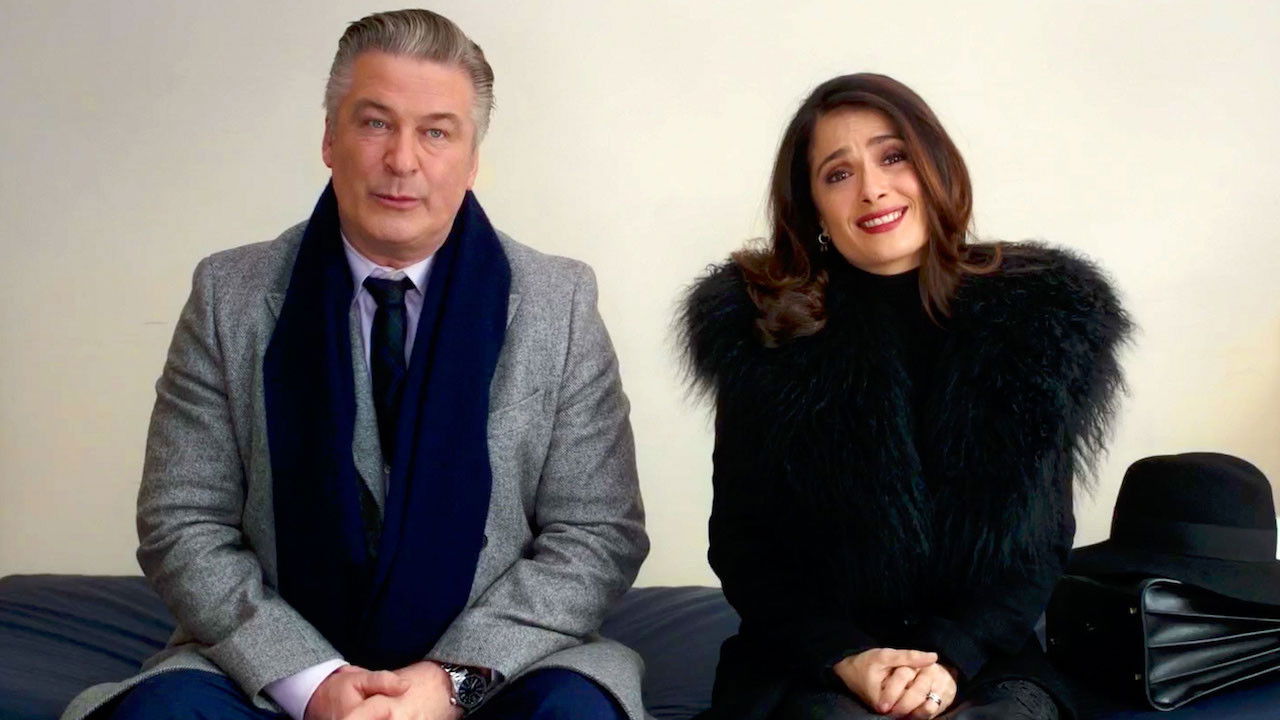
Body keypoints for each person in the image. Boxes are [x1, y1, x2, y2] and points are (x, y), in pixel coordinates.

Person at [62, 9, 647, 720]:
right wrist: (311, 682)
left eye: (436, 132)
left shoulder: (560, 302)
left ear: (472, 159)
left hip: (498, 670)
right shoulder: (229, 295)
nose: (402, 160)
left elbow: (597, 535)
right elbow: (182, 522)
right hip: (271, 672)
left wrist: (447, 683)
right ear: (329, 139)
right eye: (375, 123)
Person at [681, 73, 1130, 720]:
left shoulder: (1038, 325)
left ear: (934, 167)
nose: (872, 188)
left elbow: (1039, 546)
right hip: (813, 659)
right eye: (838, 174)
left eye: (893, 157)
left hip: (983, 659)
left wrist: (949, 661)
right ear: (814, 208)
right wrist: (849, 658)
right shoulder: (765, 331)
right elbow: (743, 546)